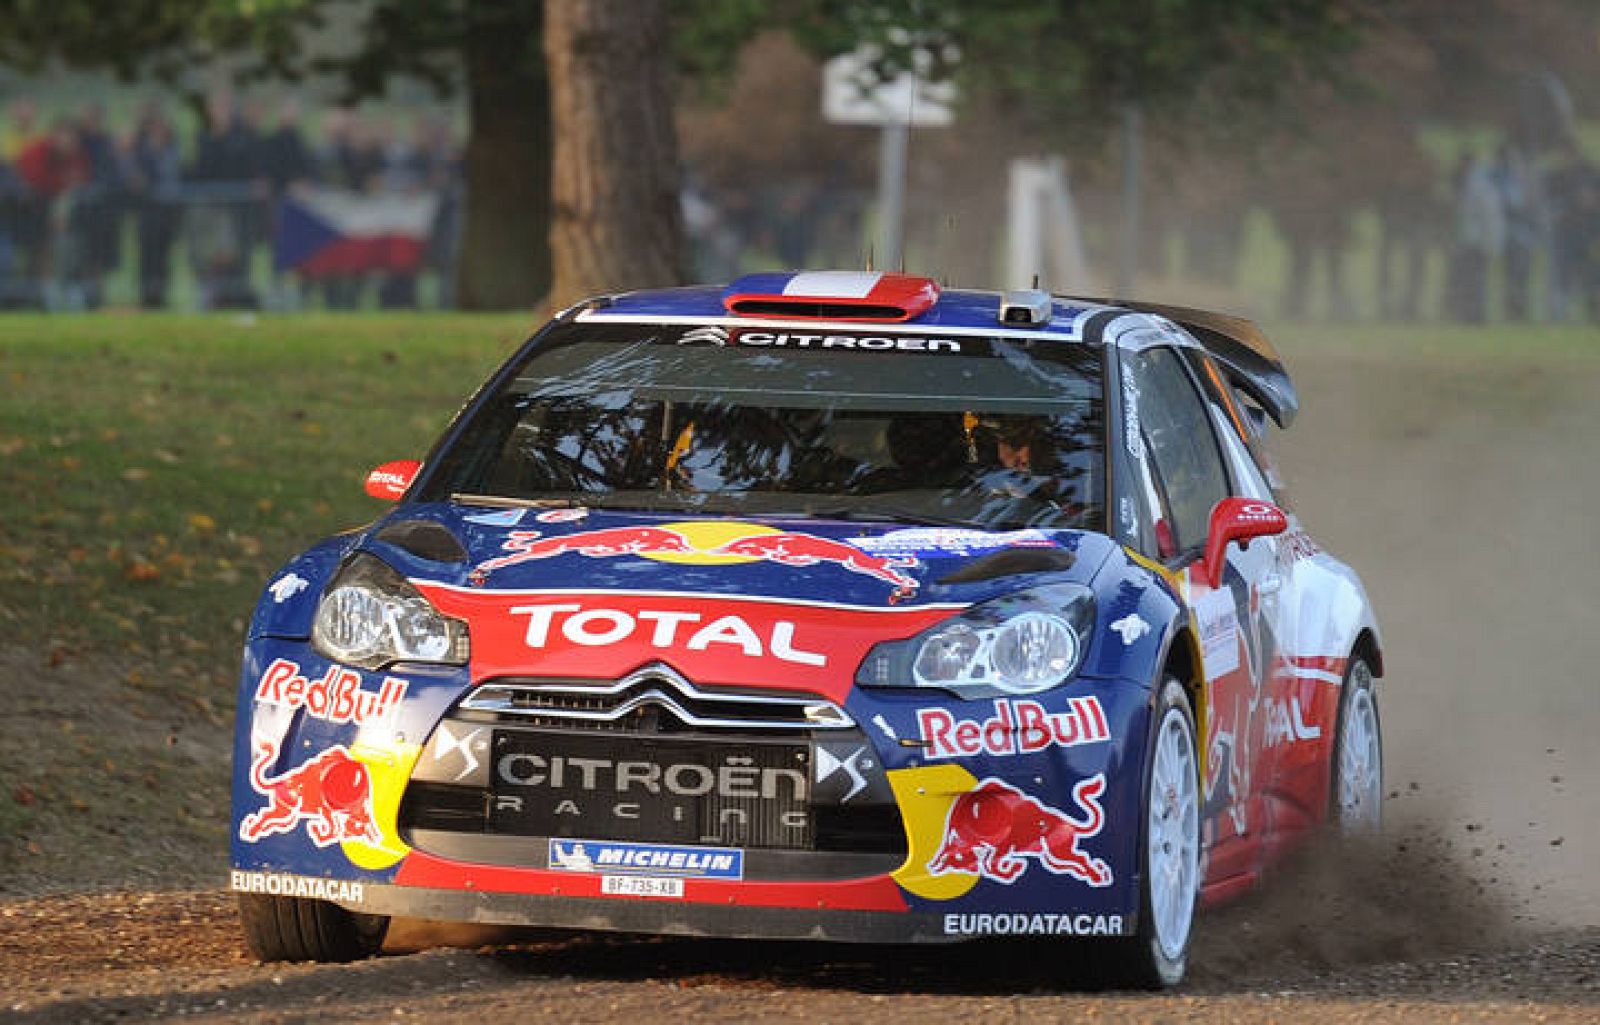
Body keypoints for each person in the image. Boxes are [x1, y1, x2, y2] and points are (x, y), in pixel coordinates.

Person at [127, 103, 183, 308]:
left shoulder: (173, 150)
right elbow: (136, 178)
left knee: (164, 256)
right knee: (146, 257)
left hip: (169, 211)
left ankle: (161, 297)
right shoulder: (141, 151)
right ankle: (146, 297)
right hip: (147, 211)